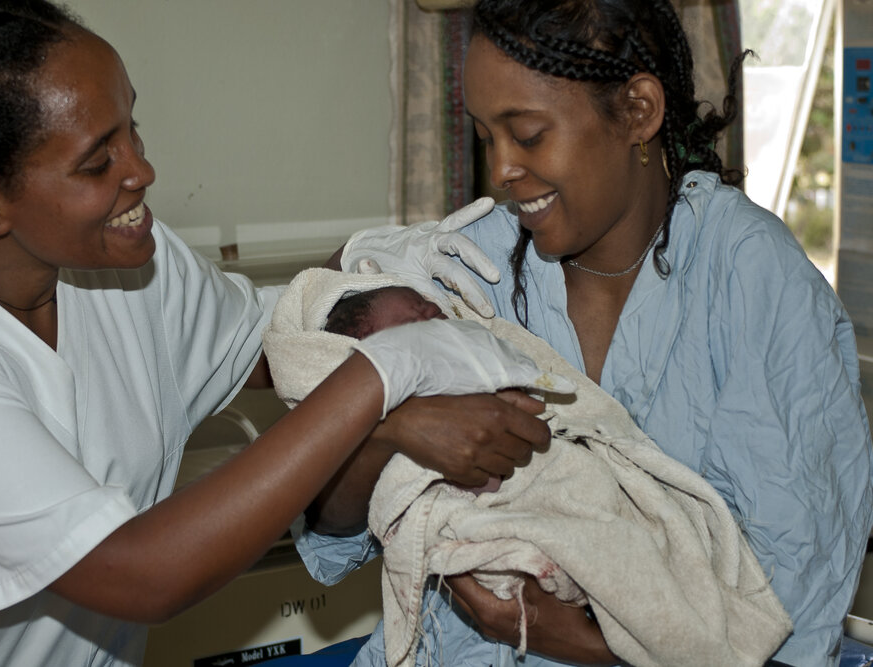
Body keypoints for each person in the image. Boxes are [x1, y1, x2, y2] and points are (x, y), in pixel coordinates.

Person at [0, 1, 555, 665]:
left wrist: (366, 276)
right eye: (96, 163)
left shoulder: (124, 262)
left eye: (130, 129)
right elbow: (143, 574)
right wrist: (387, 375)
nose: (141, 171)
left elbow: (267, 347)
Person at [296, 1, 873, 666]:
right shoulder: (469, 266)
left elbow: (783, 631)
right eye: (486, 137)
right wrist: (388, 432)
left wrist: (562, 637)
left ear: (638, 111)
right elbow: (335, 521)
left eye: (529, 134)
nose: (502, 171)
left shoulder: (752, 283)